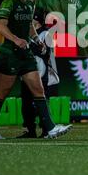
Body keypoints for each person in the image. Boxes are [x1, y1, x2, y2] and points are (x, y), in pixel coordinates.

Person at [0, 0, 71, 139]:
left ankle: (50, 128)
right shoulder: (9, 2)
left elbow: (30, 26)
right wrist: (16, 39)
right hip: (10, 54)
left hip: (26, 55)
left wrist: (36, 40)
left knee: (39, 90)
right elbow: (0, 25)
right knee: (3, 92)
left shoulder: (30, 4)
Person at [18, 8, 60, 138]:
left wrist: (28, 45)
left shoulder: (46, 34)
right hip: (26, 72)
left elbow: (44, 52)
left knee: (41, 102)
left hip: (41, 73)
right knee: (26, 103)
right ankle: (30, 129)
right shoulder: (26, 34)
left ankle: (46, 129)